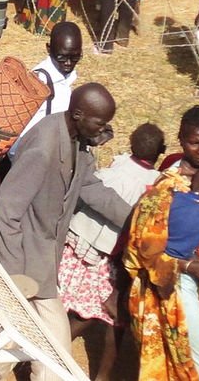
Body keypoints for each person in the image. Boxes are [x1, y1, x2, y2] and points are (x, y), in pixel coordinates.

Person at [0, 83, 132, 381]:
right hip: (26, 262)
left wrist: (136, 217)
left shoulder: (77, 140)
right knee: (54, 352)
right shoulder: (45, 147)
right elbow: (7, 208)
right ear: (79, 114)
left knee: (16, 338)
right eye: (100, 122)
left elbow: (91, 187)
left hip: (42, 259)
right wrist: (15, 276)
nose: (103, 129)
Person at [126, 107, 199, 381]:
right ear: (181, 139)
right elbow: (142, 249)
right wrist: (191, 266)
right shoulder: (167, 186)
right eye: (195, 142)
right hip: (171, 285)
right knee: (192, 359)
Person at [57, 123, 165, 381]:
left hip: (77, 240)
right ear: (161, 151)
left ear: (130, 143)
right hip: (106, 254)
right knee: (98, 310)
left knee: (64, 298)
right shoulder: (154, 185)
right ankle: (61, 348)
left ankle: (47, 343)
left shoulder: (117, 166)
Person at [14, 22, 82, 148]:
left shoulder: (65, 77)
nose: (68, 63)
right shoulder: (39, 84)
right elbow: (19, 140)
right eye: (62, 57)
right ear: (49, 49)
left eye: (75, 57)